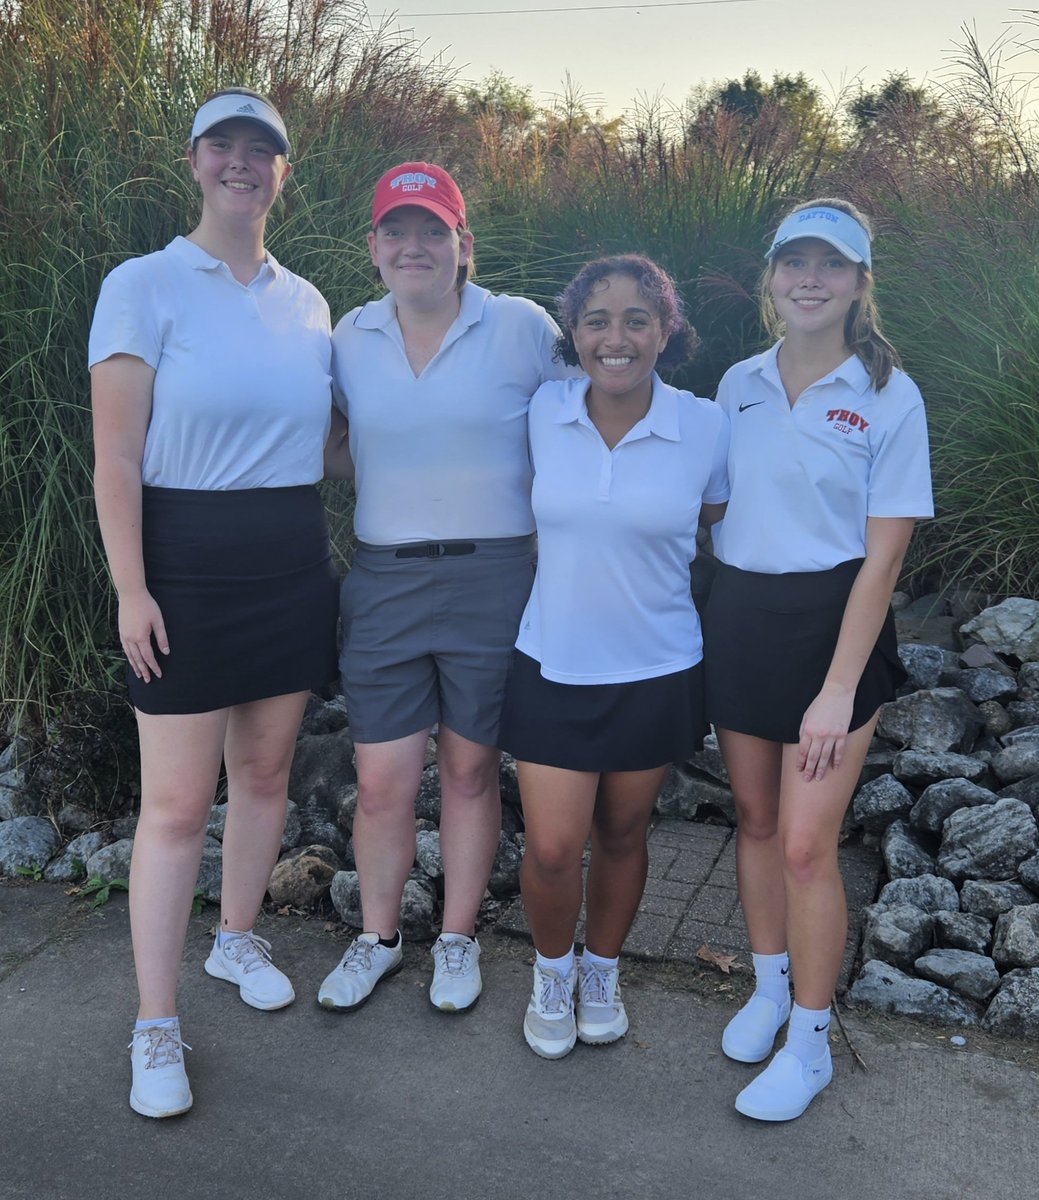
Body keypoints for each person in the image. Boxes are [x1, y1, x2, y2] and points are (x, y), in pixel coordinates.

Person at [89, 89, 338, 1118]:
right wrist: (132, 588)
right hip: (183, 565)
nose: (243, 163)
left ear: (284, 171)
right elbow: (114, 453)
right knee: (179, 804)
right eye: (224, 146)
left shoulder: (309, 300)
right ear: (195, 162)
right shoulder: (144, 285)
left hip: (287, 559)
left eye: (262, 150)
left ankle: (236, 938)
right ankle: (156, 1025)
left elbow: (324, 443)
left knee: (266, 771)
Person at [317, 162, 572, 1015]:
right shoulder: (348, 335)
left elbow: (576, 427)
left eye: (434, 230)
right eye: (398, 230)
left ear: (464, 244)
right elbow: (333, 445)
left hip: (494, 574)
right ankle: (378, 939)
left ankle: (456, 940)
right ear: (374, 246)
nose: (414, 246)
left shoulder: (521, 329)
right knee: (384, 779)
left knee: (468, 771)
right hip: (384, 578)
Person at [704, 199, 933, 1121]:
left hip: (835, 629)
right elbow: (713, 509)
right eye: (793, 262)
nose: (809, 278)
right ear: (770, 278)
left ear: (856, 282)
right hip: (741, 616)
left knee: (805, 844)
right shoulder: (737, 383)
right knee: (756, 823)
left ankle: (809, 1038)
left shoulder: (889, 393)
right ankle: (766, 987)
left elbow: (883, 556)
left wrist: (837, 690)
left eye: (828, 265)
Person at [496, 255, 730, 1059]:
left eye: (637, 319)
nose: (616, 337)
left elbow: (720, 515)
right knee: (555, 847)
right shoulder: (542, 410)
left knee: (625, 835)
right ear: (574, 334)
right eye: (596, 320)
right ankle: (552, 975)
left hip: (657, 667)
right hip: (552, 664)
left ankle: (602, 972)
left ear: (667, 331)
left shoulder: (704, 425)